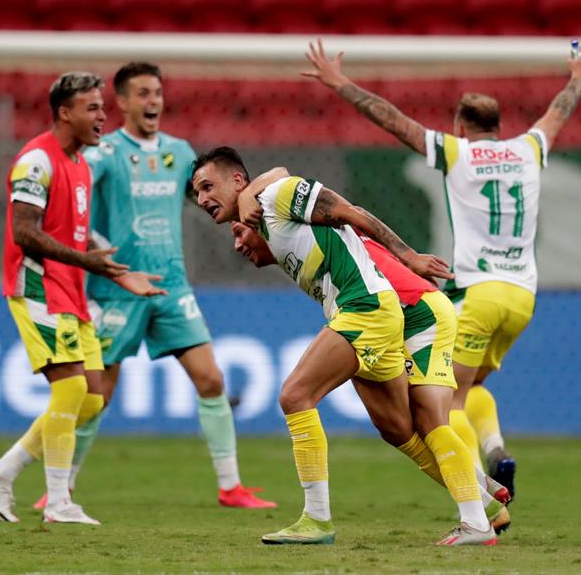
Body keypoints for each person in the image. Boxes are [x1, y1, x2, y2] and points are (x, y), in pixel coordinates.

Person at [303, 38, 581, 498]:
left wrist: (340, 83)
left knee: (446, 402)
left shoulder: (456, 153)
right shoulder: (529, 149)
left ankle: (482, 496)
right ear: (500, 127)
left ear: (460, 126)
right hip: (522, 297)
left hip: (478, 292)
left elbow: (394, 121)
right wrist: (579, 79)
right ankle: (495, 448)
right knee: (474, 383)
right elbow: (557, 113)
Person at [193, 146, 496, 546]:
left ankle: (316, 519)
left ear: (237, 181)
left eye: (207, 186)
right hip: (373, 313)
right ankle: (479, 510)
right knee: (404, 429)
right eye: (197, 194)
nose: (202, 200)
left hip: (366, 307)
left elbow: (349, 210)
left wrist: (408, 256)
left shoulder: (276, 197)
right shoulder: (266, 215)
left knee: (295, 395)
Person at [31, 62, 275, 511]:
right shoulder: (103, 154)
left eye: (158, 93)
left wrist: (243, 225)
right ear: (121, 102)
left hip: (171, 286)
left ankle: (231, 487)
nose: (153, 102)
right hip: (117, 289)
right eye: (143, 94)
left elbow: (208, 200)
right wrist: (106, 256)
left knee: (211, 379)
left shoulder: (180, 153)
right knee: (95, 397)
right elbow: (74, 212)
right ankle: (59, 489)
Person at [0, 71, 164, 526]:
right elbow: (24, 231)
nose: (103, 116)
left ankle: (0, 474)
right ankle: (58, 502)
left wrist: (116, 270)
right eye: (93, 108)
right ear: (65, 112)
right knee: (72, 387)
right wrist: (87, 260)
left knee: (92, 398)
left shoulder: (80, 162)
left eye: (102, 106)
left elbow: (74, 231)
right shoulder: (36, 161)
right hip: (36, 286)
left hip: (70, 288)